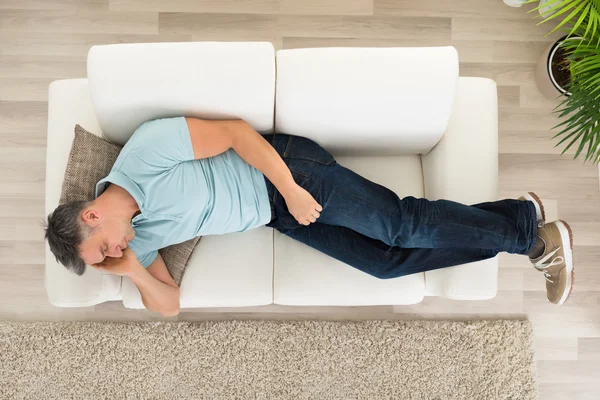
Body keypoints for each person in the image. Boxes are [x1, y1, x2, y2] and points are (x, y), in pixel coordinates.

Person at [44, 117, 575, 316]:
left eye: (103, 248)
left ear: (92, 213)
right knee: (384, 264)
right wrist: (132, 269)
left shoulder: (145, 153)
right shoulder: (140, 239)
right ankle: (520, 218)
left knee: (398, 223)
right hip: (279, 214)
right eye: (107, 260)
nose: (114, 254)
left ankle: (533, 239)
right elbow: (170, 307)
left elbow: (235, 134)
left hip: (289, 172)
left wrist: (291, 189)